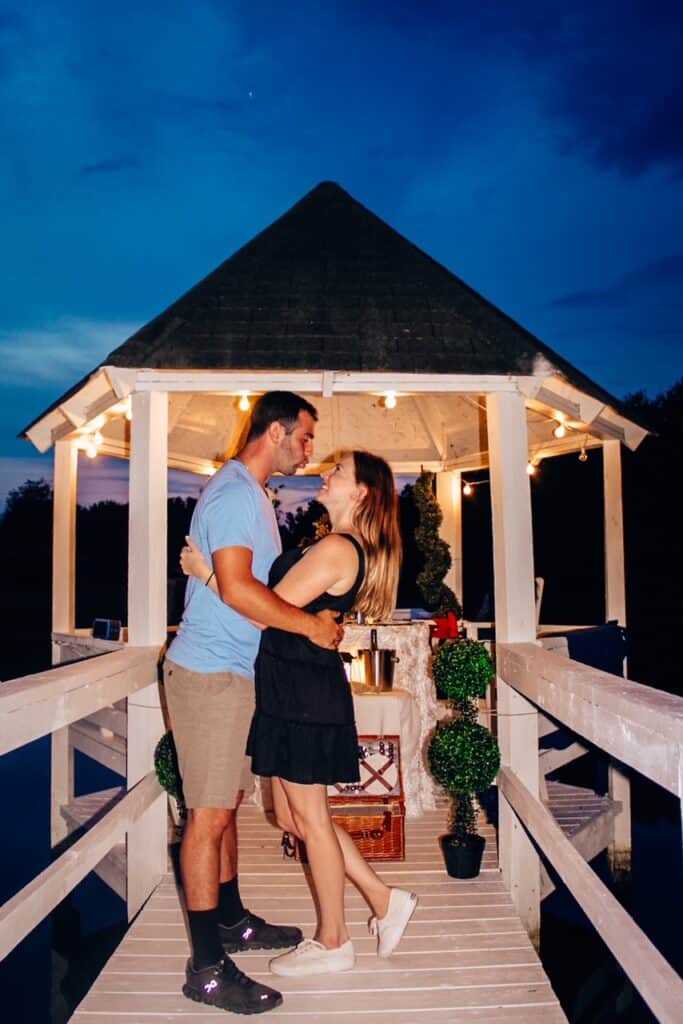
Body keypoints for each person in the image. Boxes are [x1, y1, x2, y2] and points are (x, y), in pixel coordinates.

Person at [181, 449, 418, 979]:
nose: (326, 475)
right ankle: (383, 899)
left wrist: (205, 573)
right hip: (293, 690)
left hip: (304, 696)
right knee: (294, 818)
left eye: (338, 472)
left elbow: (266, 611)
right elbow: (285, 609)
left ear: (359, 493)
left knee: (310, 819)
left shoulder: (337, 548)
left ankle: (334, 941)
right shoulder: (332, 545)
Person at [164, 391, 344, 1015]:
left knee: (227, 807)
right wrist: (308, 626)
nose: (310, 450)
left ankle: (233, 920)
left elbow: (240, 588)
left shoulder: (252, 495)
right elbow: (240, 589)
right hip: (210, 674)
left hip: (236, 675)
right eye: (306, 438)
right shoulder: (240, 495)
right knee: (206, 819)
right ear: (277, 431)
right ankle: (206, 970)